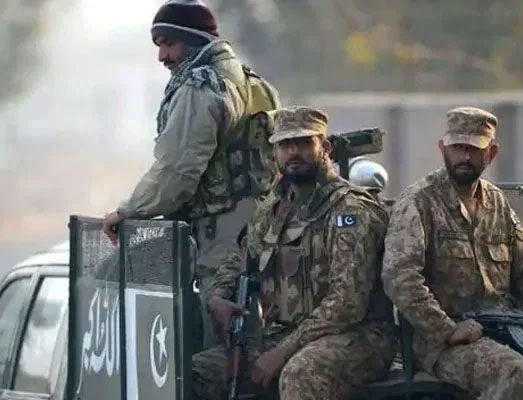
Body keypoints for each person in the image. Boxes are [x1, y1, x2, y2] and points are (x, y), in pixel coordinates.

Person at [382, 107, 523, 400]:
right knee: (509, 370)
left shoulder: (497, 203)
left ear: (491, 153)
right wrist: (447, 329)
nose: (464, 157)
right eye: (457, 148)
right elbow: (400, 278)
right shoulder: (419, 202)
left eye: (474, 149)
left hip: (506, 328)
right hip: (441, 343)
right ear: (442, 148)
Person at [100, 0, 279, 347]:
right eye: (159, 45)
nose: (162, 57)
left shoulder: (201, 86)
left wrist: (127, 211)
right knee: (248, 323)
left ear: (195, 40)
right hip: (255, 221)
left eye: (169, 44)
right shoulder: (249, 81)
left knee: (225, 336)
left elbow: (177, 171)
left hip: (222, 230)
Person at [193, 106, 396, 399]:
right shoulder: (272, 209)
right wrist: (218, 297)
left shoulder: (350, 211)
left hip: (359, 336)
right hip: (286, 334)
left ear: (324, 147)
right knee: (197, 373)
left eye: (303, 143)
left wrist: (281, 352)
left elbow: (346, 304)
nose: (293, 153)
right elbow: (240, 257)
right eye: (285, 145)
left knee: (301, 374)